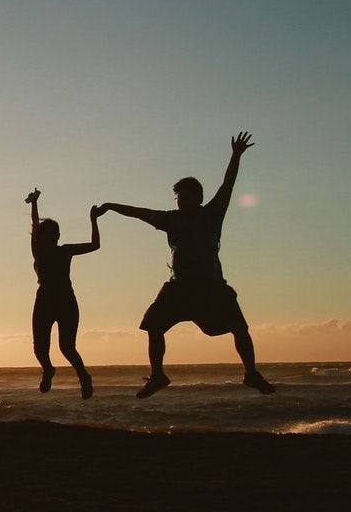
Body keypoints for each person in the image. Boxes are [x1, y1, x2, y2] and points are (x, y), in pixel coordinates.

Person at [98, 132, 276, 398]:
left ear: (197, 197)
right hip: (179, 288)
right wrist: (111, 206)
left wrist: (235, 155)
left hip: (211, 286)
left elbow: (228, 184)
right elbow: (139, 212)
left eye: (182, 196)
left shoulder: (212, 214)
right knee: (153, 326)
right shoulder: (170, 219)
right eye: (177, 197)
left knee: (240, 328)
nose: (178, 200)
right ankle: (158, 376)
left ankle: (251, 373)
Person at [25, 189, 100, 399]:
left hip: (66, 301)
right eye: (50, 233)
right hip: (44, 301)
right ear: (43, 236)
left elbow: (95, 245)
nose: (54, 237)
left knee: (67, 347)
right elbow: (34, 225)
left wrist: (93, 221)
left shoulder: (65, 250)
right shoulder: (38, 250)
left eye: (56, 234)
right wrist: (34, 203)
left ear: (59, 236)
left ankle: (84, 378)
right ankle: (48, 370)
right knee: (40, 349)